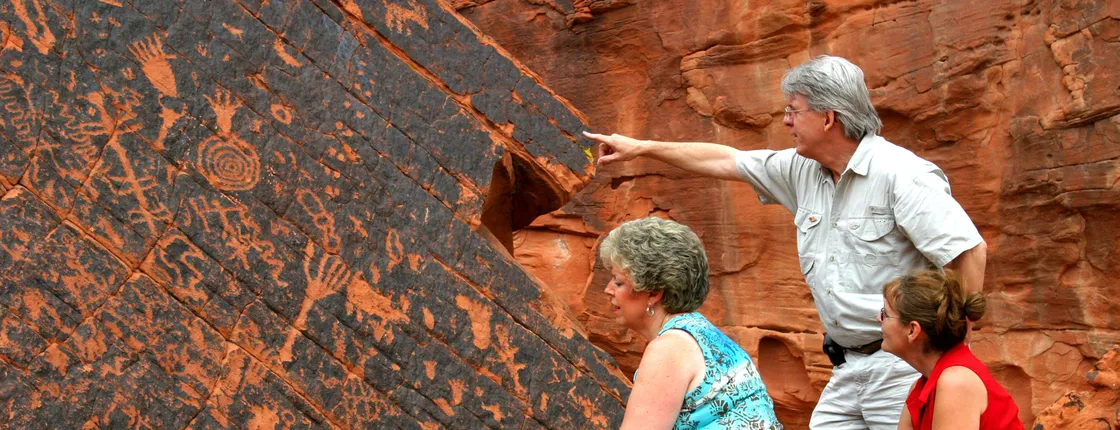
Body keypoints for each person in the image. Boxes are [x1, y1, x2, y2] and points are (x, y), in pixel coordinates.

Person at [583, 55, 988, 429]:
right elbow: (727, 160)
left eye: (794, 110)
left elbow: (968, 252)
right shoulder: (802, 170)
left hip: (901, 364)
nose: (786, 121)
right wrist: (643, 148)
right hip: (846, 367)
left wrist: (954, 345)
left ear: (828, 117)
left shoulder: (901, 175)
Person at [600, 217, 781, 429]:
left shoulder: (669, 349)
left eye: (618, 282)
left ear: (653, 293)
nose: (608, 289)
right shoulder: (705, 335)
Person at [880, 270, 1022, 429]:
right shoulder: (923, 385)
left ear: (913, 330)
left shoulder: (955, 383)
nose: (878, 319)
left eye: (885, 314)